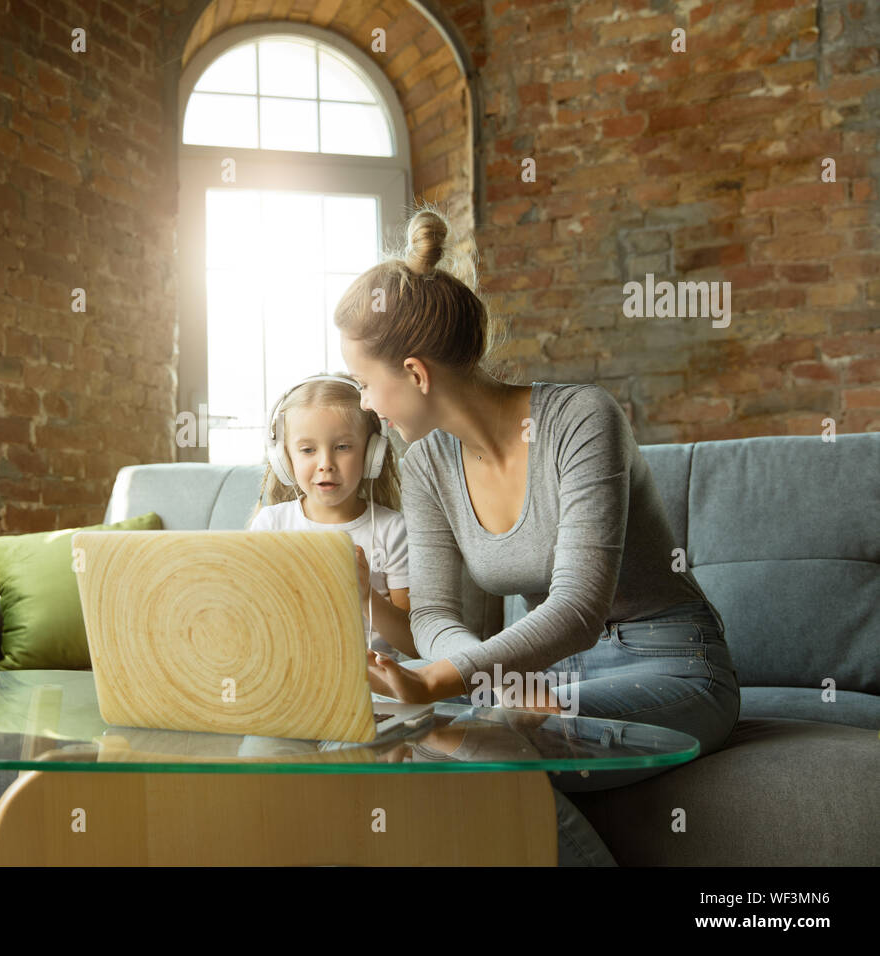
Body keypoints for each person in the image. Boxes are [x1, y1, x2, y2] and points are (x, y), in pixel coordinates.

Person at [334, 205, 742, 866]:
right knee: (394, 742)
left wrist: (447, 679)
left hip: (671, 663)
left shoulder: (581, 419)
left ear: (414, 373)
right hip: (540, 673)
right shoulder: (428, 464)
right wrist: (489, 683)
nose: (367, 406)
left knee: (481, 755)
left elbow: (579, 608)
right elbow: (436, 613)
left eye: (364, 383)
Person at [247, 373, 413, 661]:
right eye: (308, 450)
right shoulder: (271, 525)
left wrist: (364, 594)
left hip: (371, 686)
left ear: (372, 454)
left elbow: (413, 642)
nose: (326, 464)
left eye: (343, 447)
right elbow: (248, 618)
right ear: (285, 460)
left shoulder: (392, 531)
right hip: (289, 673)